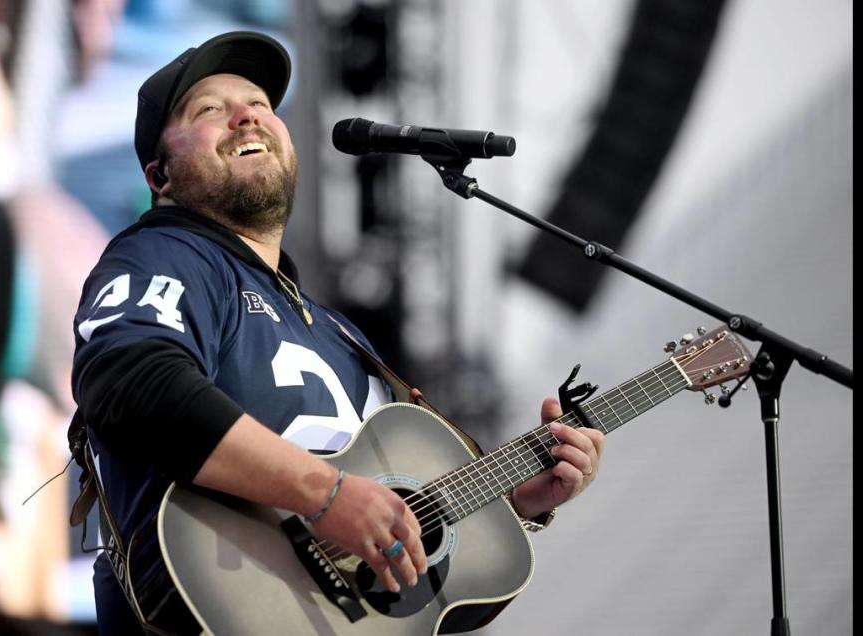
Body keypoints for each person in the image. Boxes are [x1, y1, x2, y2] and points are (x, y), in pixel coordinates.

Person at [70, 31, 605, 635]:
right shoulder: (164, 255)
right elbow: (130, 383)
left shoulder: (341, 333)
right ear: (159, 175)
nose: (248, 114)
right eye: (210, 110)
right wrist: (324, 495)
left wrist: (513, 504)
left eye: (261, 104)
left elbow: (411, 594)